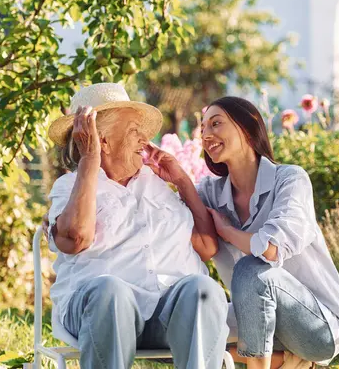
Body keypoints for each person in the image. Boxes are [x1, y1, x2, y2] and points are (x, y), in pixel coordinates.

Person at [146, 96, 339, 369]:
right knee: (175, 323)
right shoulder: (210, 192)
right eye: (203, 127)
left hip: (317, 328)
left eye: (216, 124)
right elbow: (182, 230)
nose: (206, 135)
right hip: (255, 317)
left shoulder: (290, 179)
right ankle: (284, 361)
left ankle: (288, 361)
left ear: (247, 128)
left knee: (251, 269)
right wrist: (181, 179)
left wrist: (228, 231)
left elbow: (271, 249)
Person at [43, 83, 228, 369]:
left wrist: (181, 180)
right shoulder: (70, 186)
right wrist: (90, 161)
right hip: (102, 314)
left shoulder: (156, 183)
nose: (145, 139)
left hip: (166, 316)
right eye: (133, 130)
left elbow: (206, 246)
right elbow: (75, 238)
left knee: (203, 288)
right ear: (101, 141)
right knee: (109, 290)